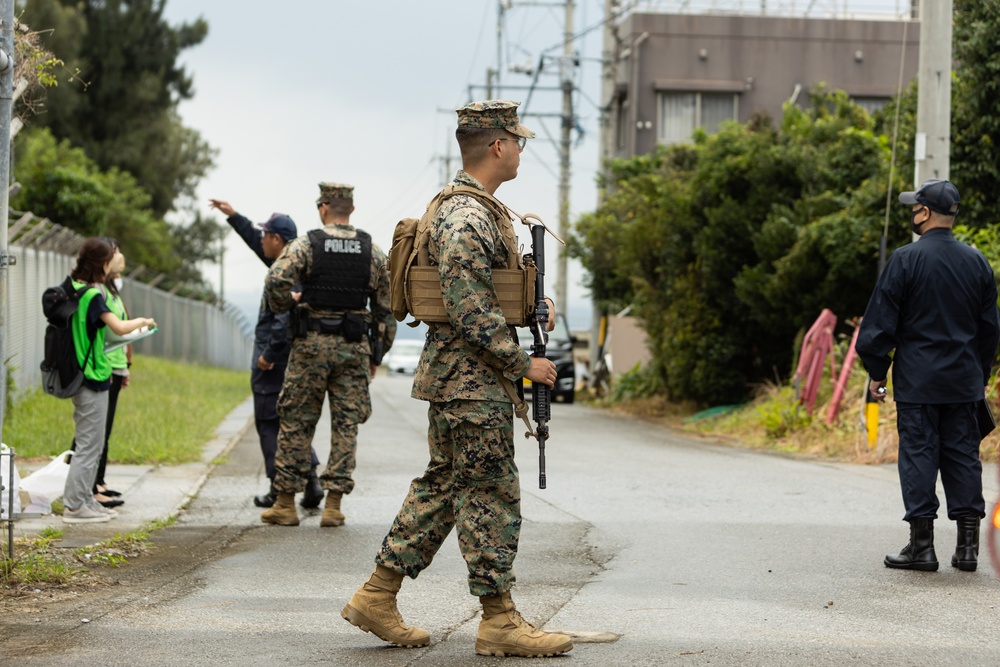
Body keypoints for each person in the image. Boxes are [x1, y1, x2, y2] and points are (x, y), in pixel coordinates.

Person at [341, 100, 572, 658]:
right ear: (498, 146)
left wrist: (533, 305)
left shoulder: (476, 208)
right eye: (517, 140)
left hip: (461, 380)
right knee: (490, 491)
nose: (521, 149)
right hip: (471, 382)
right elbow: (469, 310)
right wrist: (524, 365)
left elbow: (486, 294)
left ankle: (377, 595)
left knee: (445, 486)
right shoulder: (467, 216)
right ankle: (499, 621)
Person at [856, 179, 1000, 573]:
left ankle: (922, 548)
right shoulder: (977, 262)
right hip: (964, 383)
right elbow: (990, 330)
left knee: (919, 455)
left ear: (923, 212)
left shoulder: (904, 260)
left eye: (914, 208)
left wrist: (877, 373)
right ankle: (967, 549)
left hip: (919, 382)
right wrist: (980, 375)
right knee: (963, 457)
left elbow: (879, 325)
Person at [261, 182, 395, 527]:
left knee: (296, 422)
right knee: (346, 425)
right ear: (350, 210)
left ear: (323, 208)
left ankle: (286, 505)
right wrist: (376, 354)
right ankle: (333, 506)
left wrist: (284, 307)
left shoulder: (306, 244)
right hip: (353, 349)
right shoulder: (372, 251)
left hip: (310, 346)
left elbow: (276, 281)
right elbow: (387, 308)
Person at [208, 199, 324, 509]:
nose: (261, 241)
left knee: (269, 423)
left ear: (277, 240)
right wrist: (234, 217)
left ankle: (278, 488)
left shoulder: (287, 271)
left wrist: (269, 354)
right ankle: (311, 480)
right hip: (292, 357)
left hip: (274, 360)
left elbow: (283, 317)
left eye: (265, 235)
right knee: (292, 421)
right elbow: (255, 245)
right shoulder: (291, 263)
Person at [62, 238, 156, 524]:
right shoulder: (93, 296)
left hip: (81, 373)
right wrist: (143, 321)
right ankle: (75, 506)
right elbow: (118, 326)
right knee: (90, 445)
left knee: (92, 442)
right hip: (93, 375)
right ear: (101, 265)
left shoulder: (73, 289)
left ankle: (85, 499)